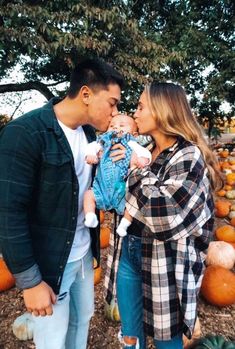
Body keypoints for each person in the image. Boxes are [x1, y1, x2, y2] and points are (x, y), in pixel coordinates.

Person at [0, 58, 124, 349]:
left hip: (82, 256)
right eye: (112, 103)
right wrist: (30, 282)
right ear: (85, 94)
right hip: (51, 264)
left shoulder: (90, 135)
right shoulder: (25, 134)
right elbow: (8, 213)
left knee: (81, 323)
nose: (116, 112)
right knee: (53, 340)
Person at [104, 82, 222, 349]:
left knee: (166, 339)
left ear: (162, 111)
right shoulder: (141, 149)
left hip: (166, 261)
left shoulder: (188, 156)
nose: (134, 113)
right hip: (129, 252)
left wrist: (133, 174)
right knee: (130, 334)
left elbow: (166, 218)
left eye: (140, 106)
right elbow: (121, 201)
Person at [83, 113, 152, 237]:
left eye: (121, 125)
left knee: (131, 205)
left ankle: (124, 224)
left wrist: (143, 159)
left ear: (134, 134)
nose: (115, 128)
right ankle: (90, 215)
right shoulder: (103, 142)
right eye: (112, 125)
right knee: (88, 195)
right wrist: (90, 155)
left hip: (122, 190)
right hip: (102, 187)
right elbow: (91, 146)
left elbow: (145, 153)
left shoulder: (132, 144)